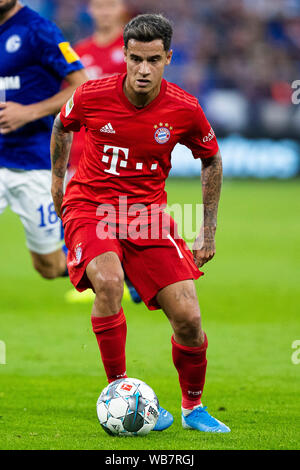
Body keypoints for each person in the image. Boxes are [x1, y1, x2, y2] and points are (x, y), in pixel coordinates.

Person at [51, 14, 230, 433]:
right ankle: (119, 388)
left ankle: (193, 408)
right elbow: (62, 124)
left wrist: (207, 228)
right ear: (125, 56)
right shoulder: (93, 95)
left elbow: (211, 159)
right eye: (135, 59)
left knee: (188, 317)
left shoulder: (184, 109)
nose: (143, 70)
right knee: (110, 283)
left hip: (146, 215)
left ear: (168, 57)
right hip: (90, 206)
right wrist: (57, 182)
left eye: (153, 60)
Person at [0, 0, 87, 279]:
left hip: (31, 161)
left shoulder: (39, 30)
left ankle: (113, 268)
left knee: (48, 267)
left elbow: (81, 85)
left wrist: (29, 112)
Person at [65, 0, 141, 303]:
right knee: (82, 215)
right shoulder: (78, 52)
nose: (104, 11)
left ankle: (128, 274)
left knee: (123, 212)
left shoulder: (134, 51)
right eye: (99, 5)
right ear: (91, 11)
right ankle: (104, 275)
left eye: (110, 5)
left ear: (122, 10)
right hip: (82, 149)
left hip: (121, 147)